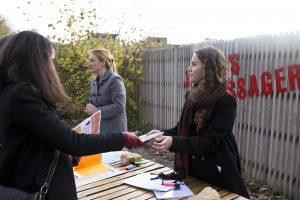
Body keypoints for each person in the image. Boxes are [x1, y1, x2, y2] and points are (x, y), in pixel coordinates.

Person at [0, 31, 143, 200]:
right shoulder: (22, 95)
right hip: (41, 189)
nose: (52, 67)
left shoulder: (12, 92)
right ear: (35, 61)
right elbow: (73, 142)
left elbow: (34, 144)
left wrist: (65, 154)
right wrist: (122, 138)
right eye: (51, 61)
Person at [147, 46, 250, 198]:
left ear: (208, 68)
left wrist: (173, 142)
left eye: (194, 64)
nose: (189, 69)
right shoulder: (192, 96)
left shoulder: (226, 101)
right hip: (193, 173)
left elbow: (207, 142)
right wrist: (162, 134)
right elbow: (182, 129)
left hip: (218, 174)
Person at [86, 48, 127, 134]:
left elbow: (119, 106)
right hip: (98, 132)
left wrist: (97, 110)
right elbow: (92, 104)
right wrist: (89, 108)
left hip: (115, 132)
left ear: (103, 62)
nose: (89, 64)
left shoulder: (115, 80)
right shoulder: (93, 81)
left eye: (92, 60)